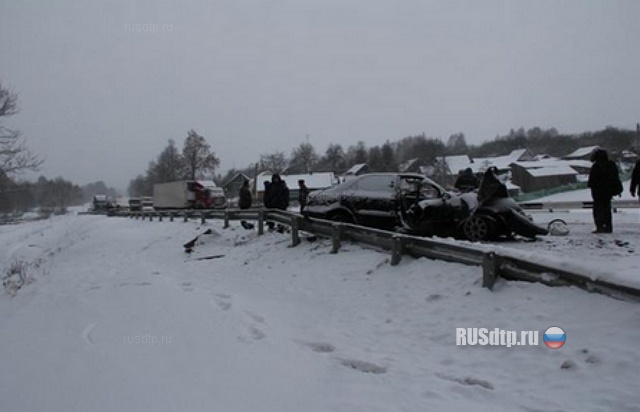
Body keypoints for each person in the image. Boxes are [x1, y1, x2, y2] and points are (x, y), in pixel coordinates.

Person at [587, 149, 622, 233]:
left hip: (598, 192)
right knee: (607, 210)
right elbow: (615, 178)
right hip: (608, 192)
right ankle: (608, 227)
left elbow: (592, 181)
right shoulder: (611, 165)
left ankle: (600, 226)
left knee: (598, 210)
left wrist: (592, 185)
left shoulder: (596, 166)